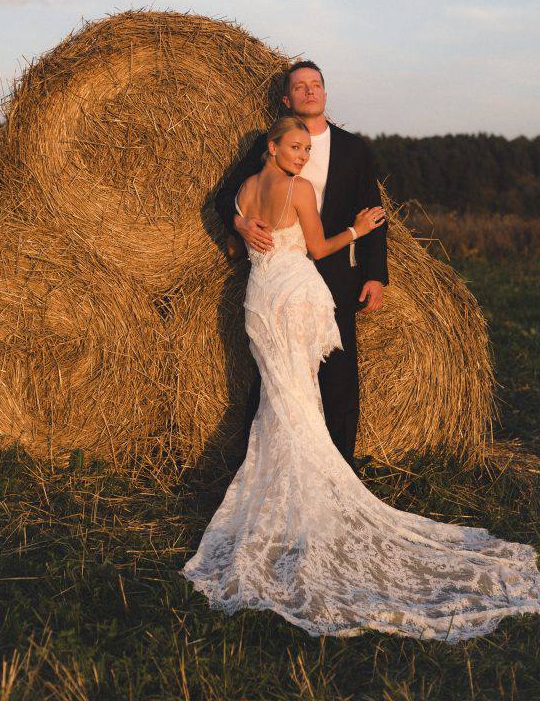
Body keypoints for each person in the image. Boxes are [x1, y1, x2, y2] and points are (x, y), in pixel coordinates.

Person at [181, 117, 540, 640]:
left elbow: (240, 239)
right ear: (273, 146)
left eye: (307, 149)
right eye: (295, 147)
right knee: (298, 404)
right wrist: (359, 230)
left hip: (259, 300)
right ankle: (309, 509)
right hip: (295, 296)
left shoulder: (244, 191)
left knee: (281, 403)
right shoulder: (300, 189)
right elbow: (319, 248)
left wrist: (240, 227)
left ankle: (280, 510)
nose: (303, 156)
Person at [215, 60, 387, 470]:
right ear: (286, 99)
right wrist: (240, 223)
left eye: (316, 85)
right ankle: (263, 466)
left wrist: (376, 275)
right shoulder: (267, 145)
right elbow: (226, 197)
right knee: (275, 378)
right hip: (286, 278)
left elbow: (374, 211)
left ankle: (340, 466)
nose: (310, 91)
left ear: (325, 93)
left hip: (336, 273)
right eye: (300, 86)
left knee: (339, 374)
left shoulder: (354, 148)